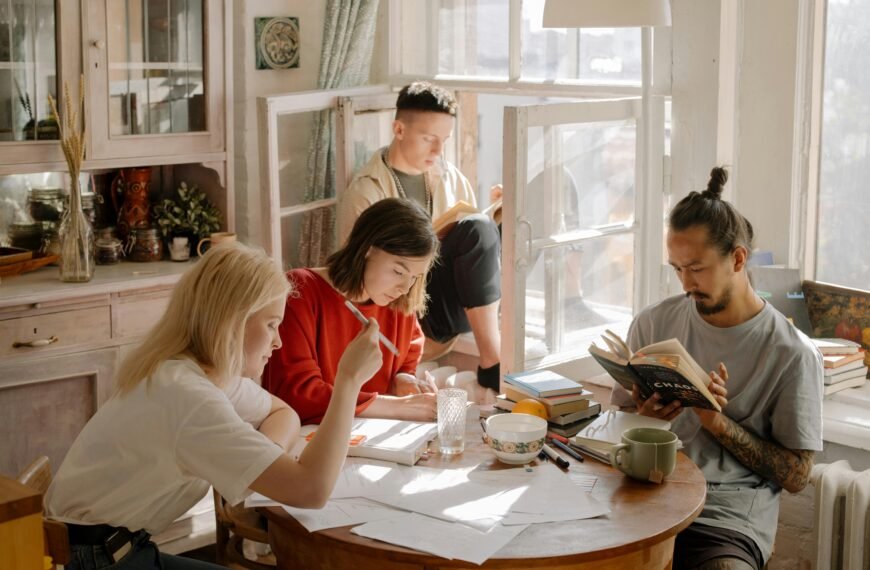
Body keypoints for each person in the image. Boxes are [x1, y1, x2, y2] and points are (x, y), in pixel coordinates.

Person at [46, 243, 383, 570]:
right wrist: (348, 381)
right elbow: (311, 490)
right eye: (270, 324)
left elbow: (283, 413)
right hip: (95, 559)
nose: (278, 341)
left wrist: (267, 458)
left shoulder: (197, 372)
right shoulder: (188, 397)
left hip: (112, 548)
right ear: (232, 321)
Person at [610, 167, 823, 570]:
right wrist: (644, 418)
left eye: (696, 268)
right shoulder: (653, 323)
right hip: (647, 495)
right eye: (676, 268)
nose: (684, 284)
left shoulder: (792, 353)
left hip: (724, 519)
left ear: (738, 259)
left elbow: (797, 477)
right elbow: (616, 422)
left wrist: (717, 423)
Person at [337, 81, 503, 391]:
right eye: (428, 138)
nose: (438, 150)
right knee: (478, 229)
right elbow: (356, 282)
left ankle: (496, 348)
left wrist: (497, 214)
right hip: (409, 313)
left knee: (504, 218)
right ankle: (493, 362)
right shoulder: (366, 191)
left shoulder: (450, 177)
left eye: (444, 139)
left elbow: (473, 254)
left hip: (456, 307)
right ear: (398, 129)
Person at [263, 198, 441, 424]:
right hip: (311, 439)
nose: (405, 288)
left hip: (372, 439)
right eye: (398, 271)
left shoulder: (397, 300)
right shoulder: (301, 291)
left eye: (414, 277)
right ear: (367, 249)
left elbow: (408, 353)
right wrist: (397, 407)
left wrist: (403, 378)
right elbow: (298, 395)